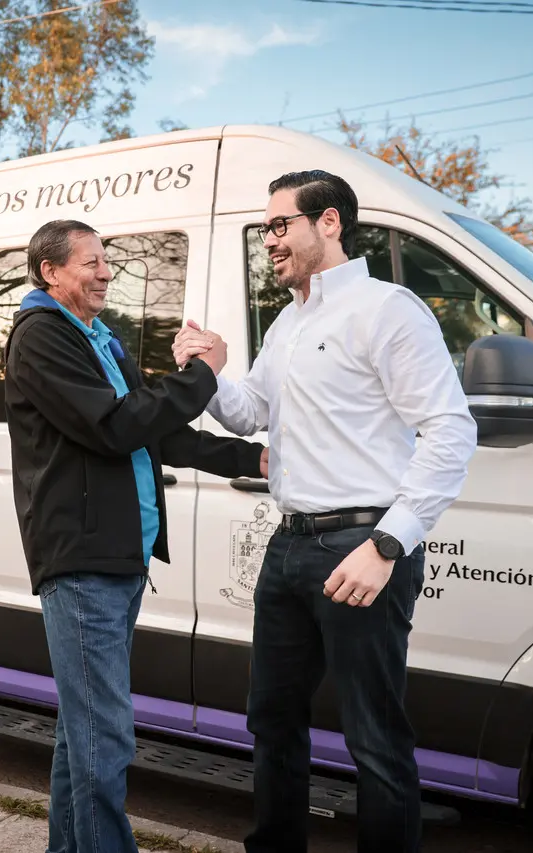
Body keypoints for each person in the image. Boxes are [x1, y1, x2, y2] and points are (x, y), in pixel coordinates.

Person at [173, 171, 478, 853]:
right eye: (267, 228)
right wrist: (212, 369)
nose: (269, 240)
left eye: (280, 225)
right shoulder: (289, 320)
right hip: (288, 546)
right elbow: (254, 413)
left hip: (363, 544)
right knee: (271, 721)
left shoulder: (388, 309)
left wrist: (388, 544)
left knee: (373, 735)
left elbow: (451, 431)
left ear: (330, 222)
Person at [4, 219, 268, 853]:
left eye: (106, 261)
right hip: (82, 560)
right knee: (105, 733)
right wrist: (204, 373)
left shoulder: (99, 337)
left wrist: (250, 459)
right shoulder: (41, 337)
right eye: (91, 262)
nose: (105, 272)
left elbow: (156, 431)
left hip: (120, 558)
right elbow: (116, 428)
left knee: (85, 731)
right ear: (51, 272)